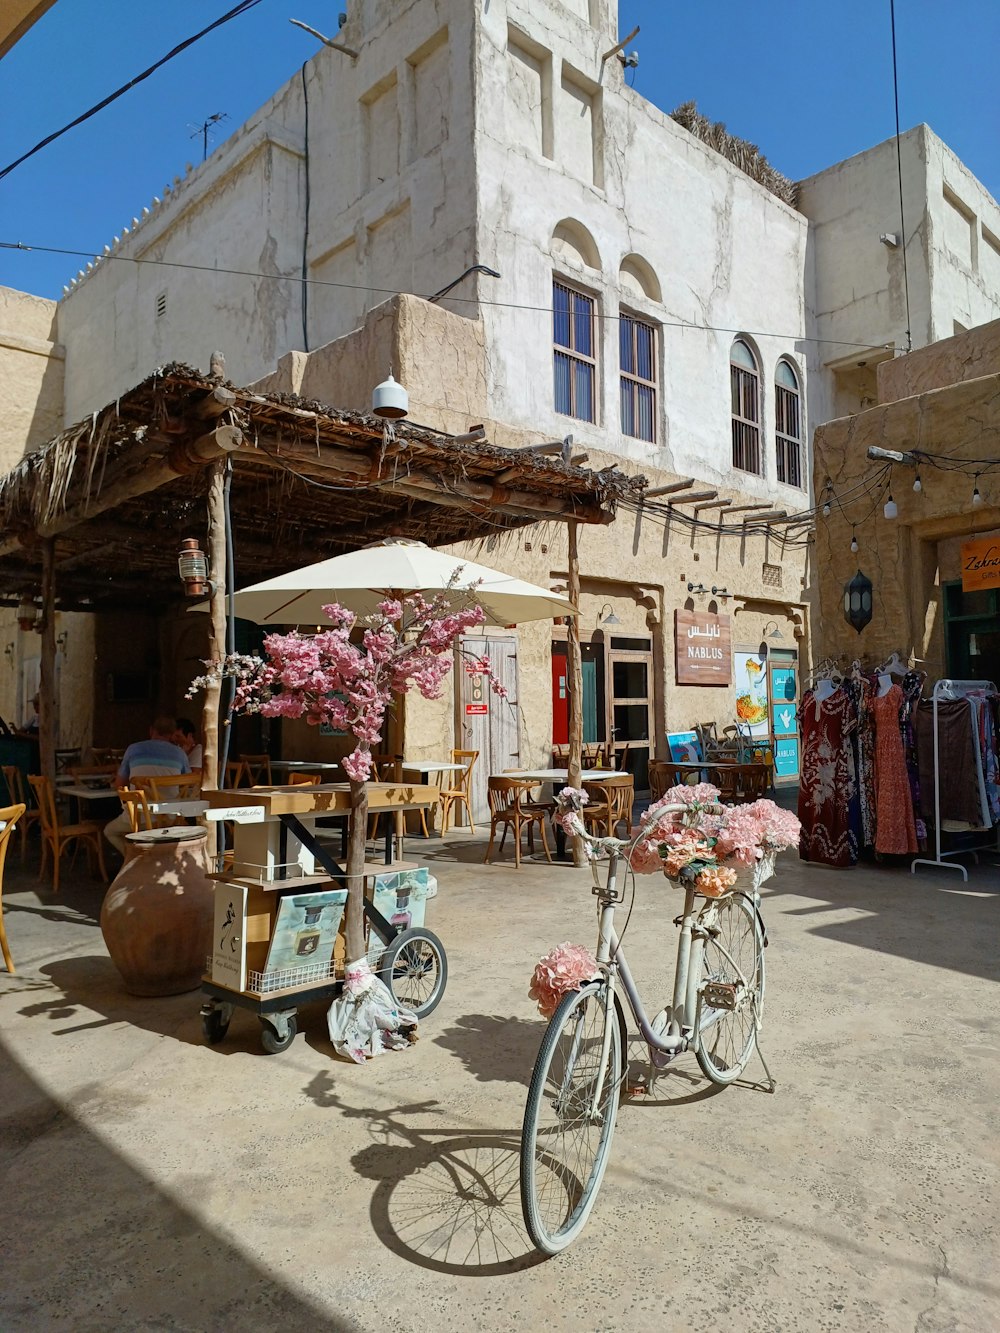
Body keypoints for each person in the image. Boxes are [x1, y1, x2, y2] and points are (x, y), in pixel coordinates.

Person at [104, 716, 190, 857]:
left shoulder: (133, 749)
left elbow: (119, 785)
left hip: (140, 818)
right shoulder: (180, 754)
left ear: (151, 731)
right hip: (172, 819)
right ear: (173, 734)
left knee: (110, 831)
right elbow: (186, 785)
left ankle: (136, 861)